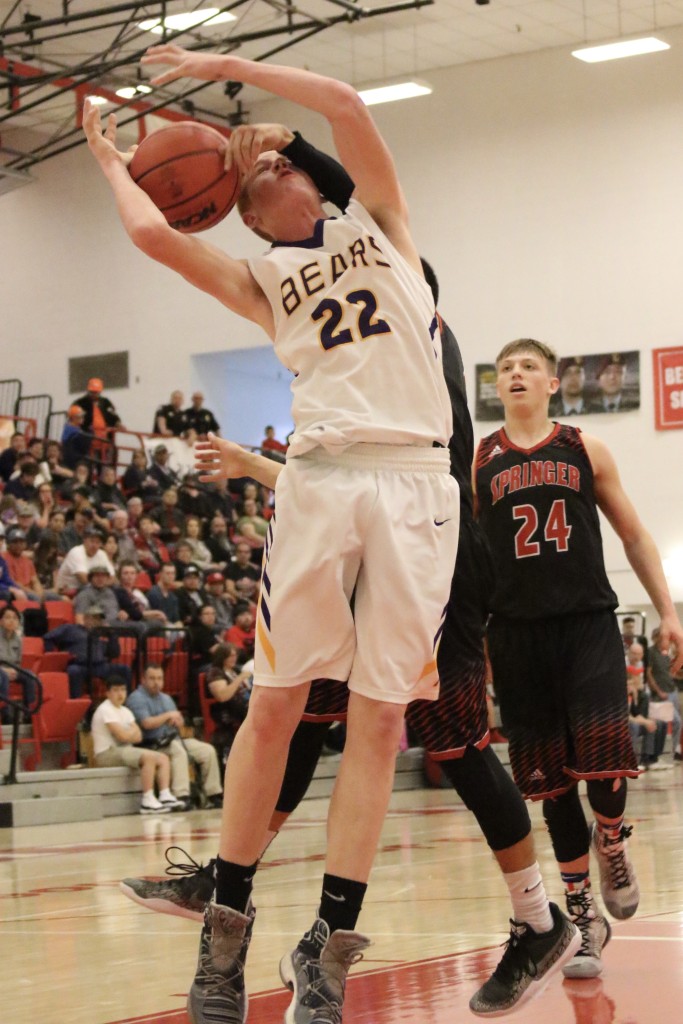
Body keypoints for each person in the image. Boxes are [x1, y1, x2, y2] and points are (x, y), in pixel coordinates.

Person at [84, 47, 459, 1024]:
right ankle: (226, 931)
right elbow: (156, 240)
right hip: (323, 479)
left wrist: (222, 71)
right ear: (242, 211)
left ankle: (327, 948)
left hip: (418, 481)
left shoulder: (382, 224)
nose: (272, 170)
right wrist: (109, 162)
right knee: (277, 702)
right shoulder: (260, 283)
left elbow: (341, 101)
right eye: (255, 178)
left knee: (381, 718)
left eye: (280, 163)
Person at [474, 338, 683, 983]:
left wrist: (668, 610)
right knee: (550, 784)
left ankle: (613, 841)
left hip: (587, 622)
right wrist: (477, 651)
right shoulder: (479, 461)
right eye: (507, 367)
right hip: (514, 636)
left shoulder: (585, 448)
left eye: (528, 367)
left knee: (603, 756)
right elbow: (474, 565)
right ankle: (582, 913)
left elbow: (635, 534)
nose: (515, 374)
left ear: (553, 383)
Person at [126, 663, 223, 810]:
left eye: (159, 678)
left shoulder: (166, 698)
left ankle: (213, 794)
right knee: (177, 750)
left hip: (172, 738)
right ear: (143, 680)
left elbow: (179, 720)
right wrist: (167, 716)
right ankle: (181, 795)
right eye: (152, 678)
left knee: (206, 750)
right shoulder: (136, 698)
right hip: (151, 743)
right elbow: (146, 723)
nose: (156, 682)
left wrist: (178, 721)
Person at [91, 675, 177, 813]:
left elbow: (138, 737)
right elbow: (122, 736)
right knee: (148, 757)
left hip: (123, 750)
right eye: (116, 690)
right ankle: (147, 799)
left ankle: (164, 794)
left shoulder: (125, 711)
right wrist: (130, 734)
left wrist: (129, 735)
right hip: (106, 753)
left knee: (162, 758)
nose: (120, 694)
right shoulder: (105, 709)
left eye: (123, 690)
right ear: (107, 693)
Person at [44, 605, 133, 697]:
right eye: (94, 618)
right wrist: (55, 657)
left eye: (99, 619)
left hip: (99, 665)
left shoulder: (99, 635)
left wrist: (112, 636)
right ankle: (76, 703)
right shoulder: (70, 629)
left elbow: (114, 654)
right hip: (80, 665)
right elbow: (48, 637)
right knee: (73, 671)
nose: (96, 622)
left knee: (125, 669)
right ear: (86, 618)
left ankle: (128, 702)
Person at [626, 648, 668, 771]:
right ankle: (631, 762)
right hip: (624, 722)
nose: (635, 682)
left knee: (658, 722)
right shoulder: (622, 694)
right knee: (635, 726)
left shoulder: (637, 695)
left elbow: (636, 713)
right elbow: (626, 716)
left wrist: (648, 721)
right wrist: (644, 721)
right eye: (631, 681)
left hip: (636, 716)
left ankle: (650, 758)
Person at [647, 626, 682, 762]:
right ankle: (661, 754)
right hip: (661, 694)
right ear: (655, 637)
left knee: (677, 723)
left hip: (672, 690)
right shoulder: (650, 652)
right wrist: (658, 691)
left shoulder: (665, 653)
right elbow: (648, 673)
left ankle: (673, 751)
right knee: (672, 722)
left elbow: (669, 672)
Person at [61, 405, 92, 469]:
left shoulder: (74, 428)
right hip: (73, 461)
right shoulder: (71, 430)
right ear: (74, 418)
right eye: (81, 416)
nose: (83, 418)